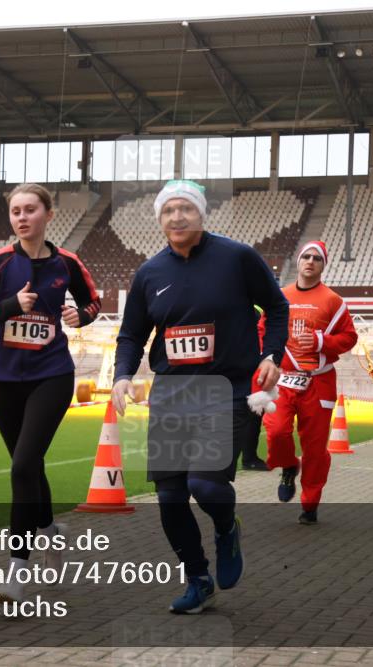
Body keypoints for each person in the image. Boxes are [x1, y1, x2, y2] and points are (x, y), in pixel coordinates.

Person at [112, 179, 288, 614]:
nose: (177, 217)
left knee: (204, 483)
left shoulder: (237, 257)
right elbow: (131, 334)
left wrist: (272, 354)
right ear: (159, 219)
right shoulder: (149, 273)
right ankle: (198, 579)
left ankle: (227, 527)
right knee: (170, 497)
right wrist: (122, 375)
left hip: (226, 389)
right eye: (168, 211)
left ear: (201, 214)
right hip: (171, 394)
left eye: (185, 209)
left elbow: (277, 307)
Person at [0, 183, 102, 602]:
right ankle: (51, 533)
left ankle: (16, 574)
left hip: (52, 375)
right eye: (15, 211)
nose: (22, 218)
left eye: (30, 210)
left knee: (22, 466)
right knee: (30, 468)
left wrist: (80, 316)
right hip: (4, 380)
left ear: (48, 215)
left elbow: (94, 302)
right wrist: (9, 307)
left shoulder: (68, 262)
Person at [262, 240, 358, 525]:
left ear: (323, 265)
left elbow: (349, 338)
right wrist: (266, 358)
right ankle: (289, 465)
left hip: (318, 382)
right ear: (299, 260)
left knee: (315, 449)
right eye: (306, 256)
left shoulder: (334, 301)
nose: (311, 261)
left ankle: (310, 504)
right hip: (283, 380)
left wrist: (321, 341)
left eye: (317, 258)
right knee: (276, 432)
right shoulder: (280, 296)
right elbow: (262, 330)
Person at [238, 306, 270, 471]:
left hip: (242, 367)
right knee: (253, 415)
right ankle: (249, 458)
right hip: (251, 369)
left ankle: (249, 457)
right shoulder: (255, 312)